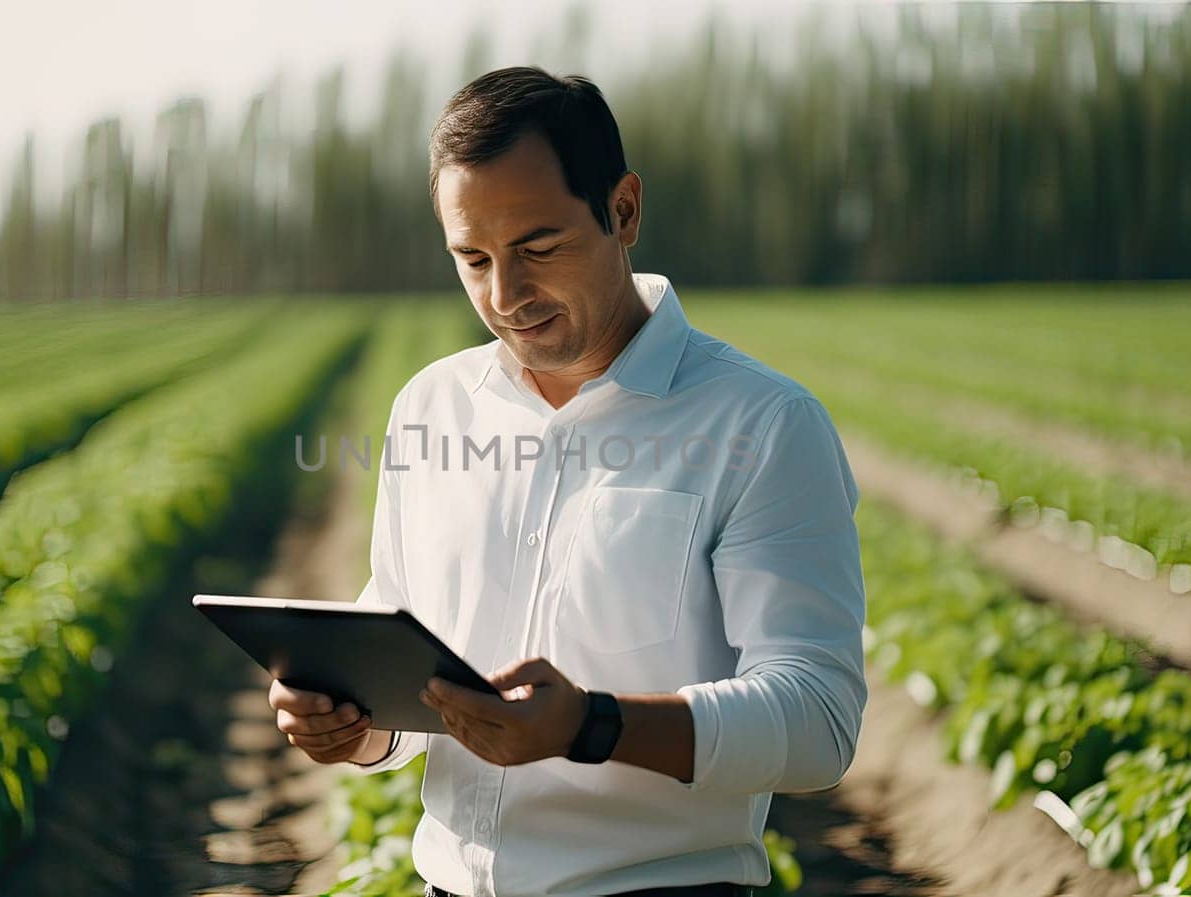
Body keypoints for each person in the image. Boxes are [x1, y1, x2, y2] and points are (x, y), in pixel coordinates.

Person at [268, 65, 867, 897]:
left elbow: (817, 719)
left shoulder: (761, 425)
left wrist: (593, 725)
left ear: (623, 210)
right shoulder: (431, 407)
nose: (505, 295)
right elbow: (404, 638)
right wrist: (351, 725)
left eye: (537, 248)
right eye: (471, 258)